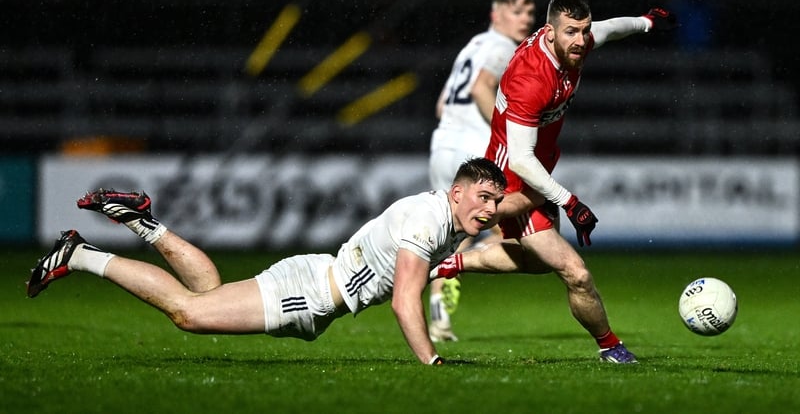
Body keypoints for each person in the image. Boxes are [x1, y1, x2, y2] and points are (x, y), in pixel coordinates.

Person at [26, 158, 507, 365]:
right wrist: (432, 360)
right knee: (190, 313)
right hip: (311, 293)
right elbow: (405, 302)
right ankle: (81, 255)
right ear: (457, 191)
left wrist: (549, 225)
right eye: (483, 198)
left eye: (496, 202)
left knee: (207, 289)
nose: (489, 210)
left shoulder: (446, 216)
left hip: (318, 282)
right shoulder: (427, 220)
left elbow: (493, 243)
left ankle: (145, 223)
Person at [431, 0, 678, 363]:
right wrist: (570, 201)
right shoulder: (530, 79)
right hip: (511, 179)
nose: (580, 40)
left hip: (536, 174)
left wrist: (647, 22)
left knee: (538, 262)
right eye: (571, 33)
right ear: (549, 33)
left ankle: (452, 262)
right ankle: (610, 346)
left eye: (583, 31)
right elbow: (521, 158)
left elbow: (610, 29)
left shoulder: (577, 41)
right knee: (574, 271)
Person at [427, 0, 536, 342]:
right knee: (504, 230)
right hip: (474, 154)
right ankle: (452, 272)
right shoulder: (503, 48)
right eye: (517, 11)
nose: (526, 18)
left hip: (442, 145)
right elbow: (480, 88)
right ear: (497, 14)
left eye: (530, 13)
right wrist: (506, 133)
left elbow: (442, 104)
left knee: (449, 232)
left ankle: (438, 302)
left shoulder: (472, 45)